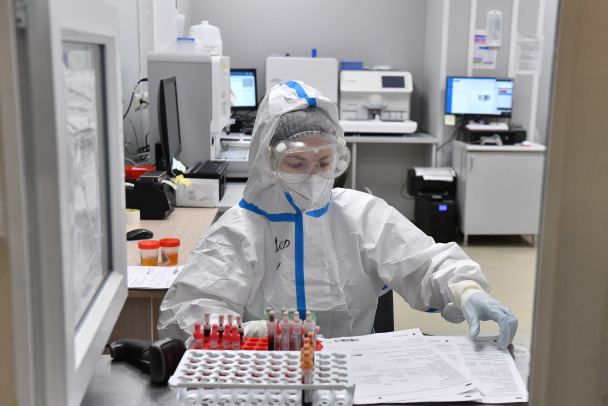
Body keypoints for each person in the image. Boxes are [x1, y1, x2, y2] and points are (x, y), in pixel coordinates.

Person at [157, 80, 518, 349]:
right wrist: (251, 334)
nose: (313, 175)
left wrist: (465, 289)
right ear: (268, 160)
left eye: (324, 162)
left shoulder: (360, 214)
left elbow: (424, 262)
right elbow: (189, 312)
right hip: (268, 374)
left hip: (356, 371)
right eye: (297, 163)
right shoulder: (239, 230)